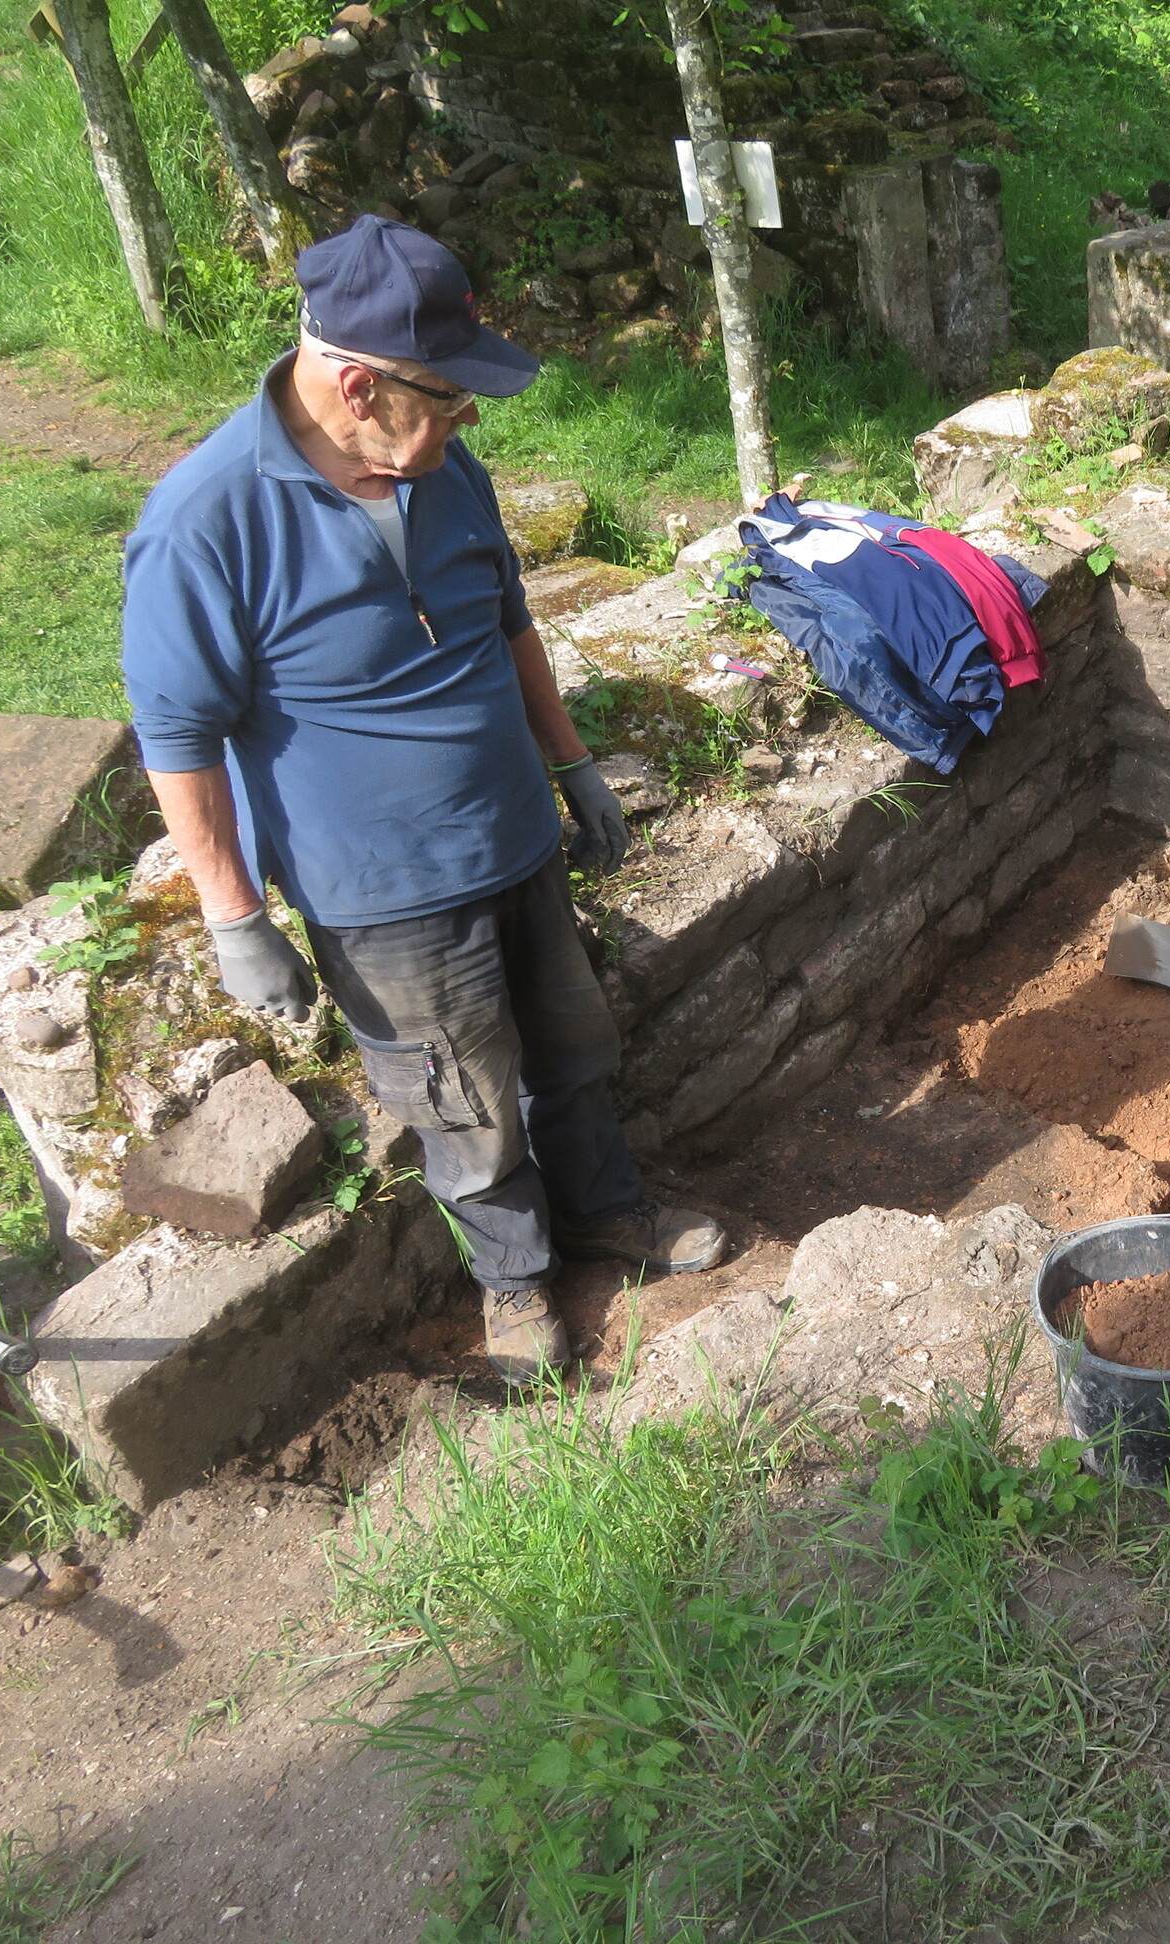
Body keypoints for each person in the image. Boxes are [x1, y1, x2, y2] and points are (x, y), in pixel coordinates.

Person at [120, 215, 725, 1385]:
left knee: (572, 1050)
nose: (468, 421)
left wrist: (570, 765)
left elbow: (509, 624)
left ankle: (608, 1211)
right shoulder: (206, 523)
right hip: (383, 891)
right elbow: (178, 739)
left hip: (515, 837)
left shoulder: (446, 472)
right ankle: (515, 1281)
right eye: (448, 398)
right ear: (359, 385)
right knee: (463, 1103)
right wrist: (234, 919)